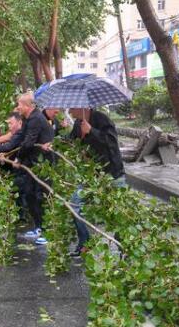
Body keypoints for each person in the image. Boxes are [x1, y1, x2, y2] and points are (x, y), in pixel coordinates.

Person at [0, 92, 55, 245]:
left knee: (42, 197)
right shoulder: (27, 119)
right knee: (29, 194)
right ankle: (39, 227)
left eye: (19, 105)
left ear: (28, 106)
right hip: (32, 164)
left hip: (43, 165)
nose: (17, 107)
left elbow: (28, 143)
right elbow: (18, 138)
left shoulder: (36, 119)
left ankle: (49, 232)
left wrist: (18, 158)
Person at [68, 107, 126, 257]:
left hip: (112, 174)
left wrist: (92, 131)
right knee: (74, 206)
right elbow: (70, 141)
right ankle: (85, 244)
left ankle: (124, 248)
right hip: (91, 175)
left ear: (82, 107)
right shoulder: (77, 123)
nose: (69, 110)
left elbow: (111, 143)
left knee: (121, 214)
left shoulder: (102, 119)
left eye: (72, 107)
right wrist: (53, 145)